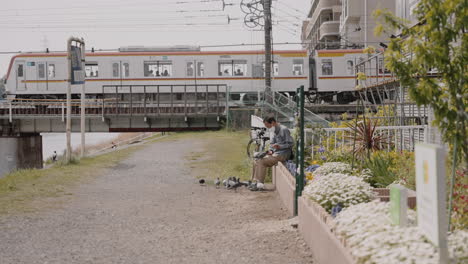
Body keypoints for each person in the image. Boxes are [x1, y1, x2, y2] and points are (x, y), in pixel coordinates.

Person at [250, 116, 293, 190]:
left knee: (261, 161)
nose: (268, 128)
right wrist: (268, 152)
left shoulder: (284, 129)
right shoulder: (274, 131)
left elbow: (291, 143)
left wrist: (280, 146)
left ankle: (260, 184)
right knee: (257, 159)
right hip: (276, 153)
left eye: (268, 126)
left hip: (283, 154)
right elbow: (272, 145)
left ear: (272, 123)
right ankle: (255, 182)